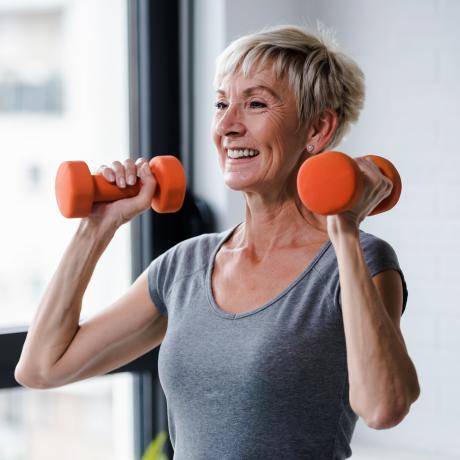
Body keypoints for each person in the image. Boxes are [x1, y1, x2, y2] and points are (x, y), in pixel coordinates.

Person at [15, 25, 420, 459]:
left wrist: (342, 227)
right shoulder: (184, 267)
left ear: (317, 130)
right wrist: (96, 228)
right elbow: (42, 367)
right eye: (221, 104)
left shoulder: (357, 260)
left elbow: (383, 407)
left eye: (256, 104)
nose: (227, 125)